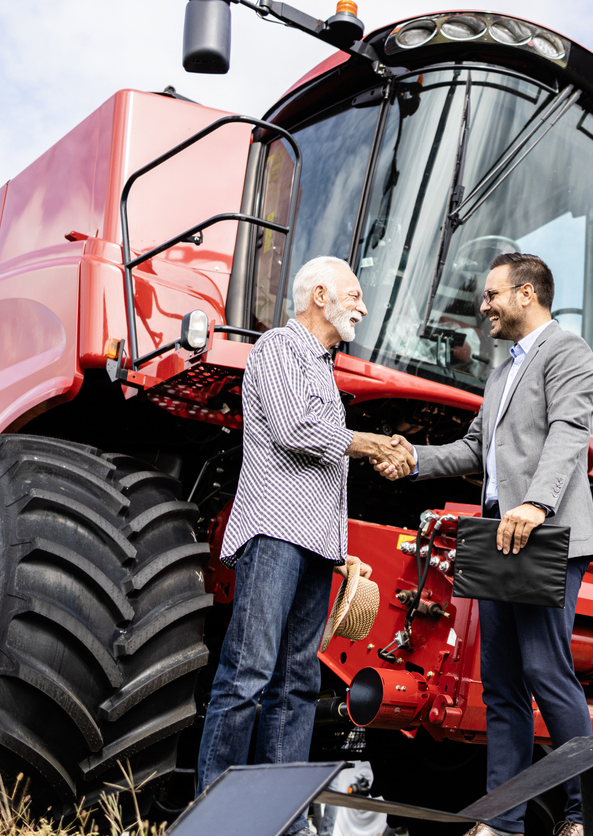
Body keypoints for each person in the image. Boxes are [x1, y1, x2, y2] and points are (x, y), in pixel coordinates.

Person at [197, 256, 415, 836]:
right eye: (355, 294)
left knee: (298, 683)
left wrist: (339, 545)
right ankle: (215, 817)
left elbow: (324, 468)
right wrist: (369, 443)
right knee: (247, 674)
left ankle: (282, 820)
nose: (363, 308)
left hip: (314, 545)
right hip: (274, 534)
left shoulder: (322, 367)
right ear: (320, 294)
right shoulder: (276, 350)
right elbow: (296, 432)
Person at [397, 253, 593, 836]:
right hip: (496, 538)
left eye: (492, 294)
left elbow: (569, 433)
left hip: (545, 534)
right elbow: (473, 449)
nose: (482, 305)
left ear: (526, 293)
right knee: (502, 688)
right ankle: (503, 822)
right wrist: (413, 459)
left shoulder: (568, 352)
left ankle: (581, 814)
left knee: (547, 672)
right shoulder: (499, 369)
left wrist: (536, 505)